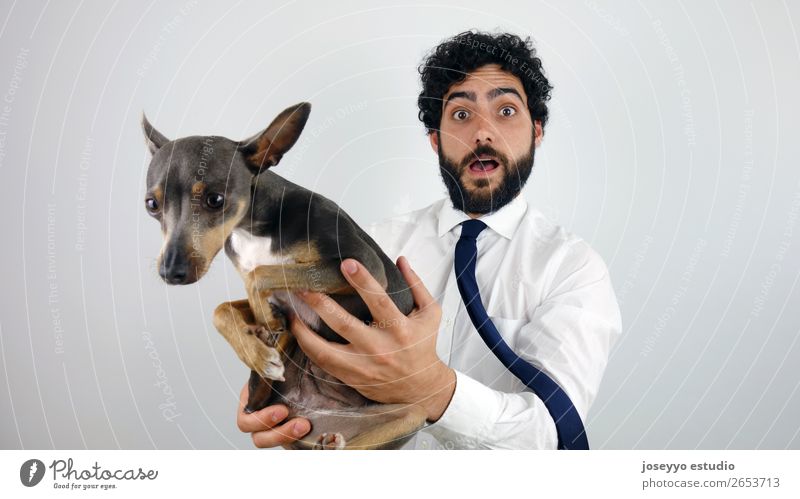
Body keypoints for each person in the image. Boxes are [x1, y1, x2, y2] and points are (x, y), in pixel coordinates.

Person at [236, 31, 622, 449]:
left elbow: (553, 437)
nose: (483, 133)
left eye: (506, 110)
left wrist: (431, 388)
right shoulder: (374, 244)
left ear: (538, 131)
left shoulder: (574, 270)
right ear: (435, 139)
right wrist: (280, 396)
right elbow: (310, 356)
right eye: (461, 115)